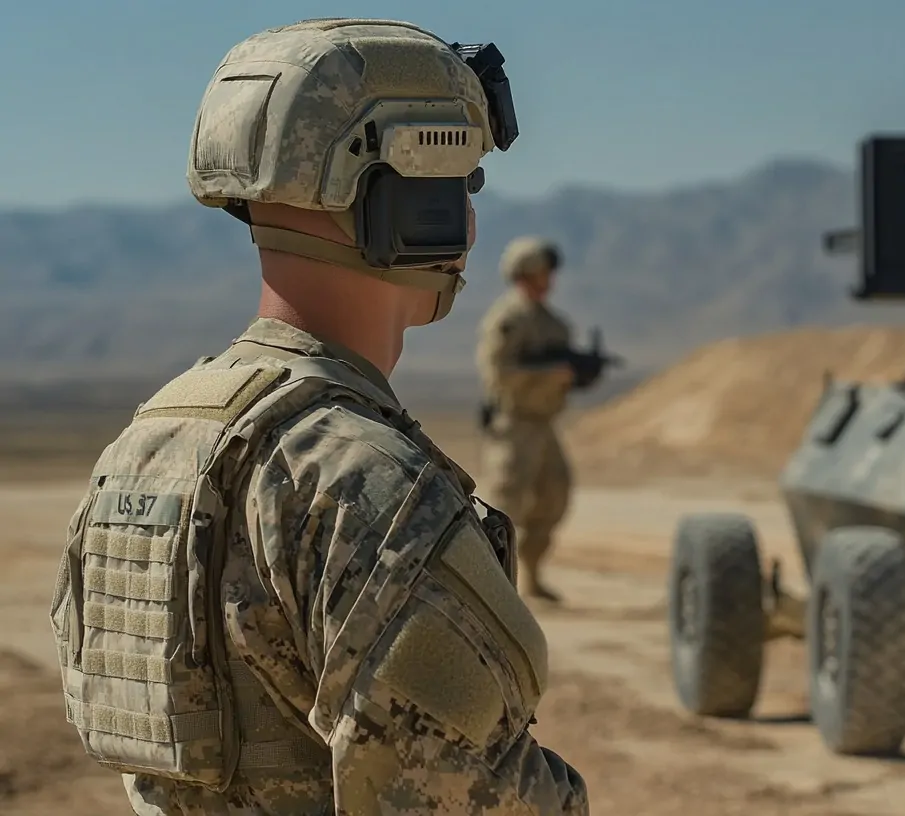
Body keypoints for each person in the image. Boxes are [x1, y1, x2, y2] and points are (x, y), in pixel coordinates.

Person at [47, 18, 588, 815]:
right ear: (409, 197)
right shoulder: (365, 484)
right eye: (462, 184)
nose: (469, 220)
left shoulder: (146, 444)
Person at [475, 238, 579, 603]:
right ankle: (489, 585)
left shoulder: (553, 324)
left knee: (554, 494)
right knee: (505, 503)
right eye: (541, 271)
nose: (548, 279)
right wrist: (550, 373)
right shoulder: (507, 320)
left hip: (544, 423)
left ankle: (532, 575)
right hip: (514, 423)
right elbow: (499, 373)